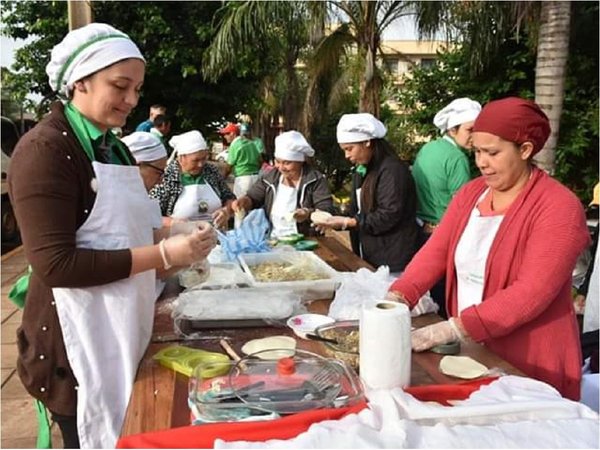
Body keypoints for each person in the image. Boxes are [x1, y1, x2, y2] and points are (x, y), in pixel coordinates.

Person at [7, 23, 217, 448]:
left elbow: (117, 225)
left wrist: (173, 230)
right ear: (79, 80)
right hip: (72, 344)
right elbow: (56, 264)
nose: (132, 100)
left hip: (118, 321)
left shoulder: (110, 145)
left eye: (137, 89)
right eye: (120, 86)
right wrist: (162, 253)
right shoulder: (45, 151)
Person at [386, 97, 590, 401]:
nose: (482, 162)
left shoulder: (558, 208)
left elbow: (532, 291)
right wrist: (400, 295)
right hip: (473, 351)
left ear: (525, 150)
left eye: (492, 152)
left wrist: (455, 328)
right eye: (477, 151)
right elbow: (437, 251)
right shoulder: (473, 193)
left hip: (529, 361)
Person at [316, 113, 419, 273]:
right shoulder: (362, 170)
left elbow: (389, 215)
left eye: (350, 149)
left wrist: (349, 222)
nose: (347, 155)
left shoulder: (392, 170)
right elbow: (356, 211)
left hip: (393, 259)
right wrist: (328, 217)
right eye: (344, 150)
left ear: (367, 142)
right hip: (371, 255)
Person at [412, 97, 481, 317]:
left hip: (421, 230)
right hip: (446, 235)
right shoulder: (457, 159)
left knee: (429, 293)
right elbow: (464, 205)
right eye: (470, 129)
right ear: (452, 130)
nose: (475, 136)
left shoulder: (428, 148)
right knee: (445, 298)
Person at [231, 130, 334, 237]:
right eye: (278, 161)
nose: (281, 168)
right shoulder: (271, 177)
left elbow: (326, 209)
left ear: (300, 161)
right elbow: (253, 198)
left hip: (306, 241)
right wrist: (243, 202)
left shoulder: (315, 179)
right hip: (273, 239)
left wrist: (308, 213)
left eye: (287, 163)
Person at [149, 130, 235, 228]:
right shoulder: (166, 176)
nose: (201, 164)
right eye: (195, 160)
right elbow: (150, 215)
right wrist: (172, 223)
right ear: (181, 158)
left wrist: (226, 211)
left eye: (204, 158)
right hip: (179, 238)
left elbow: (229, 197)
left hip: (214, 235)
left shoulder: (211, 171)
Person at [220, 122, 262, 198]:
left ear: (232, 133)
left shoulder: (235, 145)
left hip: (243, 180)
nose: (225, 136)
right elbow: (260, 161)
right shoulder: (251, 143)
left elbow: (228, 167)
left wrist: (221, 179)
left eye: (226, 134)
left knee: (240, 206)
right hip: (256, 177)